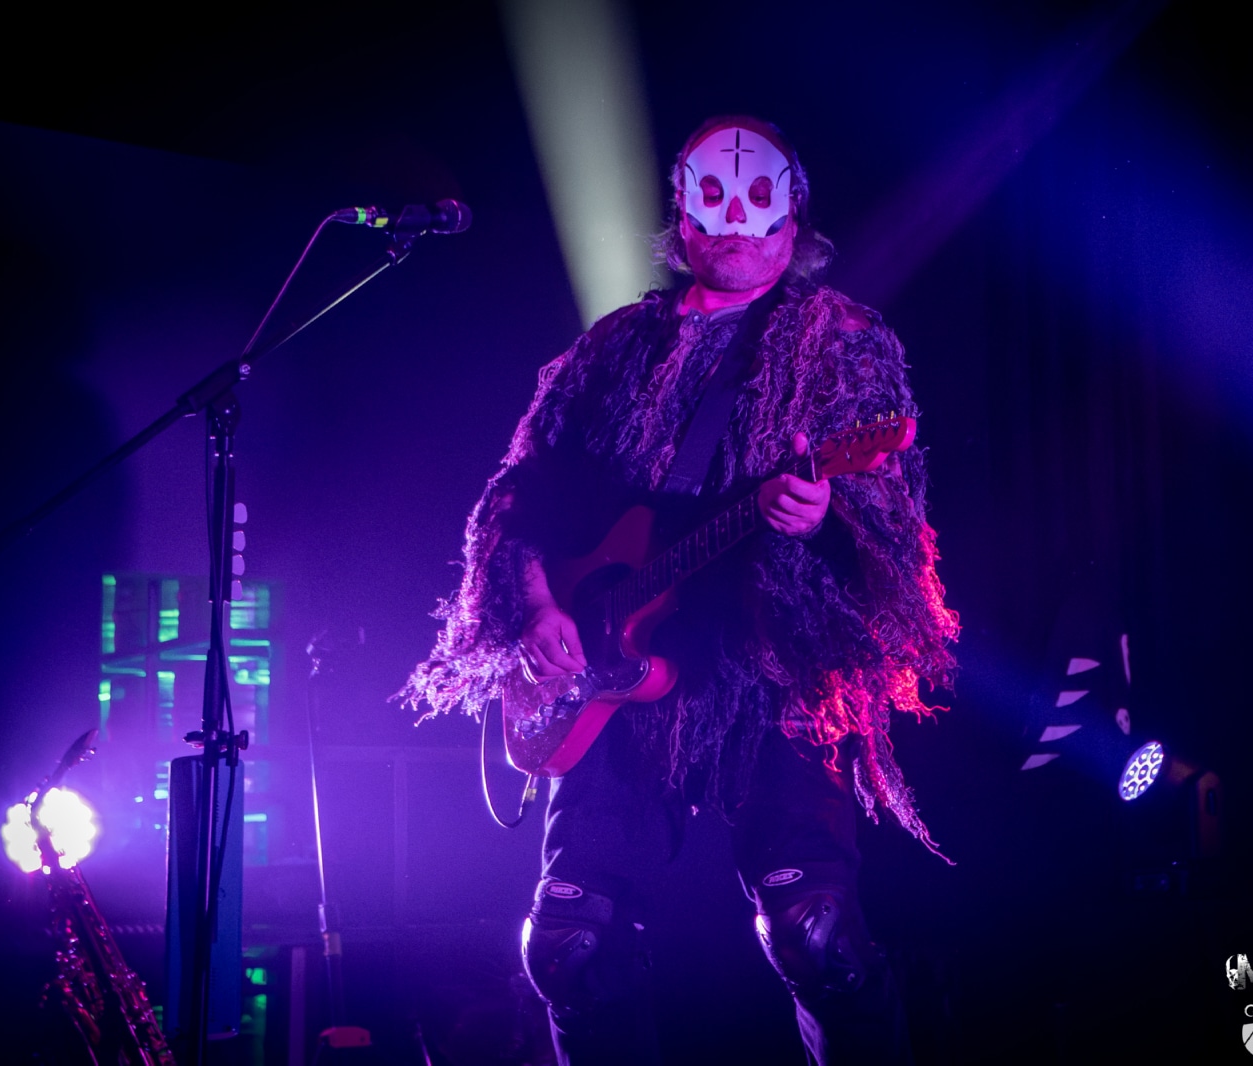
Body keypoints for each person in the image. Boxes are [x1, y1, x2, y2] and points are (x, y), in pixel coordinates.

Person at [402, 115, 958, 1065]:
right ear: (682, 217)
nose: (735, 222)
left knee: (817, 934)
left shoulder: (840, 339)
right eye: (713, 201)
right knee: (569, 946)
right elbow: (519, 490)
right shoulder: (616, 345)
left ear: (793, 221)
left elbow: (889, 515)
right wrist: (535, 603)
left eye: (757, 202)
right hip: (612, 677)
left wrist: (821, 515)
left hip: (773, 667)